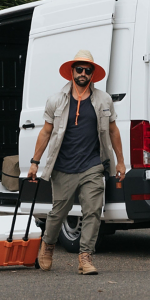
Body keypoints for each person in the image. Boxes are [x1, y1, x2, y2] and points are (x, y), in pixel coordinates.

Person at [27, 50, 126, 275]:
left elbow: (112, 130)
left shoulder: (103, 99)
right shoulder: (56, 100)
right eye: (79, 69)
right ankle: (48, 245)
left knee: (92, 211)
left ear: (93, 74)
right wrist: (35, 162)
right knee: (58, 212)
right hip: (63, 167)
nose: (83, 73)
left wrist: (120, 162)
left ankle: (85, 257)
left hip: (92, 165)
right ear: (72, 71)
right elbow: (45, 132)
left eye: (87, 70)